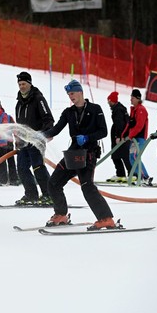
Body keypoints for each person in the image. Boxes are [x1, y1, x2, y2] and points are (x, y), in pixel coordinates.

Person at [44, 79, 116, 230]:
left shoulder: (95, 109)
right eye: (68, 94)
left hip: (88, 154)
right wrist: (40, 135)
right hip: (73, 154)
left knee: (86, 185)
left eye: (72, 93)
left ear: (80, 92)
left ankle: (106, 218)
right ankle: (61, 214)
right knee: (53, 183)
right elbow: (56, 129)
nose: (70, 96)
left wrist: (88, 137)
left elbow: (103, 131)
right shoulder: (68, 112)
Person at [14, 71, 54, 205]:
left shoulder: (38, 99)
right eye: (19, 84)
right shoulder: (19, 103)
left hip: (36, 140)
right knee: (21, 168)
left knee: (38, 167)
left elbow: (48, 118)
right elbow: (19, 125)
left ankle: (49, 195)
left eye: (24, 84)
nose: (21, 87)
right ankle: (31, 194)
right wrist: (18, 140)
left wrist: (44, 134)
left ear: (30, 84)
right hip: (24, 142)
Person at [121, 89, 150, 183]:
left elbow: (139, 126)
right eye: (130, 97)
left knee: (134, 156)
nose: (131, 99)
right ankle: (140, 176)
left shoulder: (141, 110)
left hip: (139, 138)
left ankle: (145, 177)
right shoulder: (134, 110)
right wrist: (123, 135)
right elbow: (129, 125)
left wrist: (129, 136)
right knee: (131, 157)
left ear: (138, 99)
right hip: (134, 138)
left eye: (132, 98)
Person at [106, 91, 132, 182]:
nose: (108, 103)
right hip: (124, 135)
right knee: (117, 155)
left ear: (111, 101)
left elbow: (119, 124)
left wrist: (118, 136)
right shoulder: (120, 108)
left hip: (121, 136)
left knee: (122, 155)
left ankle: (130, 174)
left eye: (108, 101)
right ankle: (121, 174)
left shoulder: (118, 110)